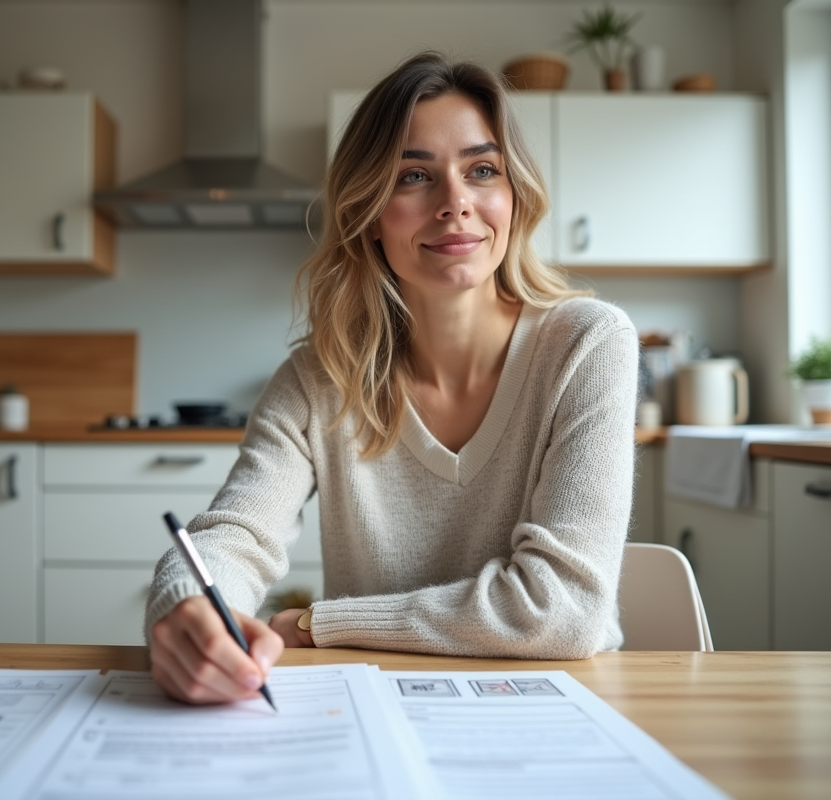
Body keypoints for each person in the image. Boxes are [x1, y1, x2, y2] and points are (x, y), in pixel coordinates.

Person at [145, 51, 638, 705]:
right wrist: (186, 607)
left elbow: (562, 611)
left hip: (559, 706)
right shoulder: (319, 379)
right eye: (414, 175)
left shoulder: (587, 343)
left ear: (514, 196)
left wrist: (323, 623)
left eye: (482, 170)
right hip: (380, 706)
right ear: (371, 213)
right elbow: (234, 537)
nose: (455, 203)